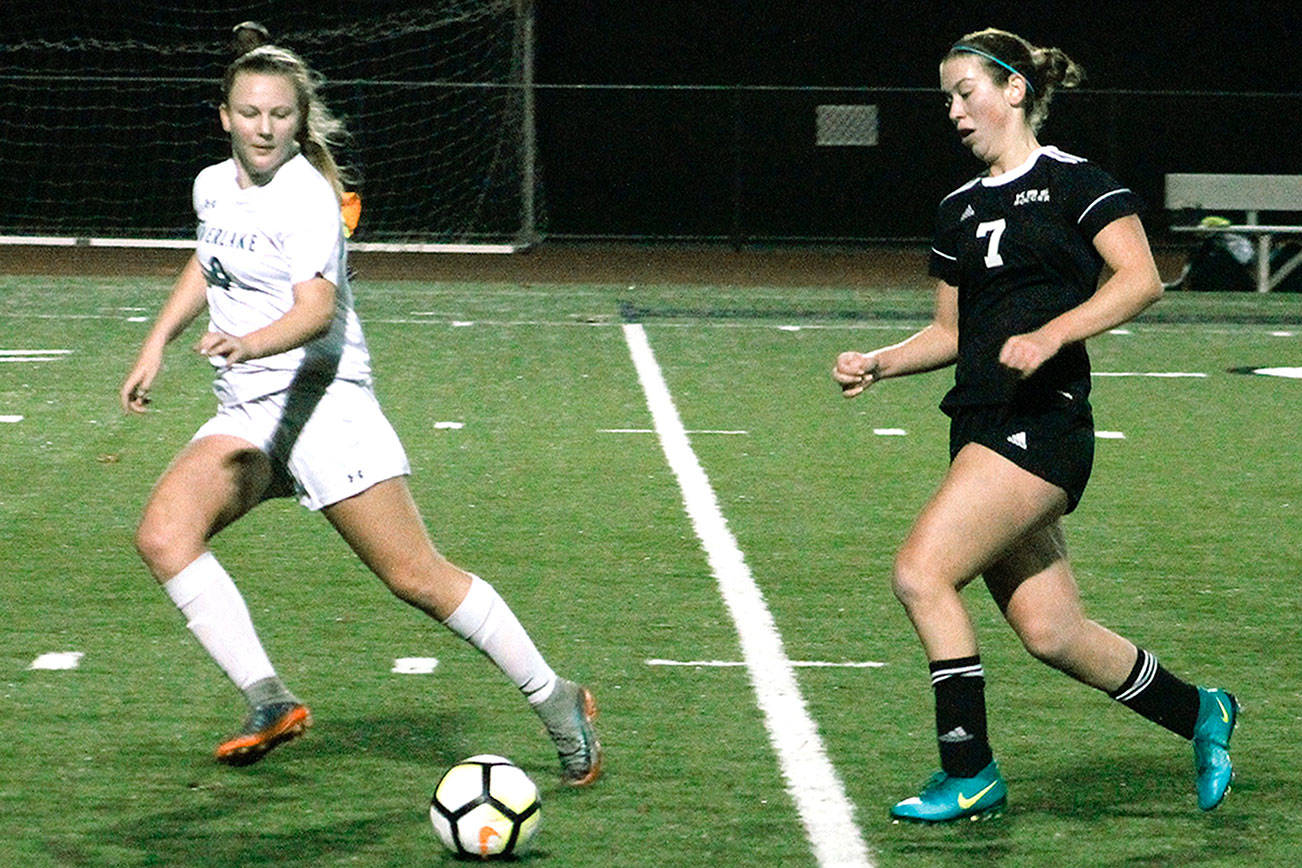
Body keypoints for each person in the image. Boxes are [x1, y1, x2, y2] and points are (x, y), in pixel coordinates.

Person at [119, 23, 601, 785]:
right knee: (164, 535)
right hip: (248, 413)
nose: (264, 127)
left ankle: (556, 698)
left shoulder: (309, 198)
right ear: (224, 117)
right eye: (249, 113)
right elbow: (208, 260)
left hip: (322, 408)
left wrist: (254, 343)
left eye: (278, 114)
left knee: (418, 578)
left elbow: (314, 310)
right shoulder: (213, 185)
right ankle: (268, 698)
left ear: (297, 121)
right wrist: (157, 344)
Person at [832, 27, 1237, 822]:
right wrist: (879, 361)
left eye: (966, 91)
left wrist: (1056, 333)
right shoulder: (956, 210)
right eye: (946, 97)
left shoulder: (1074, 183)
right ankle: (1201, 712)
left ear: (1014, 90)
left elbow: (1142, 278)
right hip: (979, 425)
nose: (953, 110)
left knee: (921, 573)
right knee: (1052, 632)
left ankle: (970, 770)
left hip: (1042, 426)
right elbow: (950, 333)